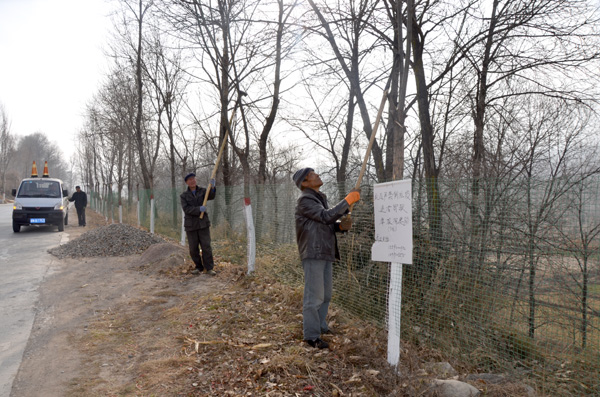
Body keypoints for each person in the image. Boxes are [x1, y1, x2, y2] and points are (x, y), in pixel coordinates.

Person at [293, 168, 360, 349]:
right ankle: (312, 336)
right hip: (314, 252)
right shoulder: (305, 200)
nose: (317, 175)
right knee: (314, 296)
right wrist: (347, 201)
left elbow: (325, 224)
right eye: (312, 174)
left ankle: (321, 326)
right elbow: (325, 216)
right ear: (305, 183)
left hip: (324, 251)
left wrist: (340, 227)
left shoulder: (318, 198)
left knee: (325, 295)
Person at [180, 173, 217, 276]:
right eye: (190, 180)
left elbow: (211, 196)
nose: (192, 181)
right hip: (191, 225)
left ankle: (209, 268)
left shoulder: (203, 191)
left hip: (203, 224)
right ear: (187, 182)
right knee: (193, 248)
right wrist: (198, 209)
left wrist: (213, 187)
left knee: (206, 246)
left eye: (193, 179)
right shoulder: (184, 196)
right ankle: (198, 267)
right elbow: (186, 209)